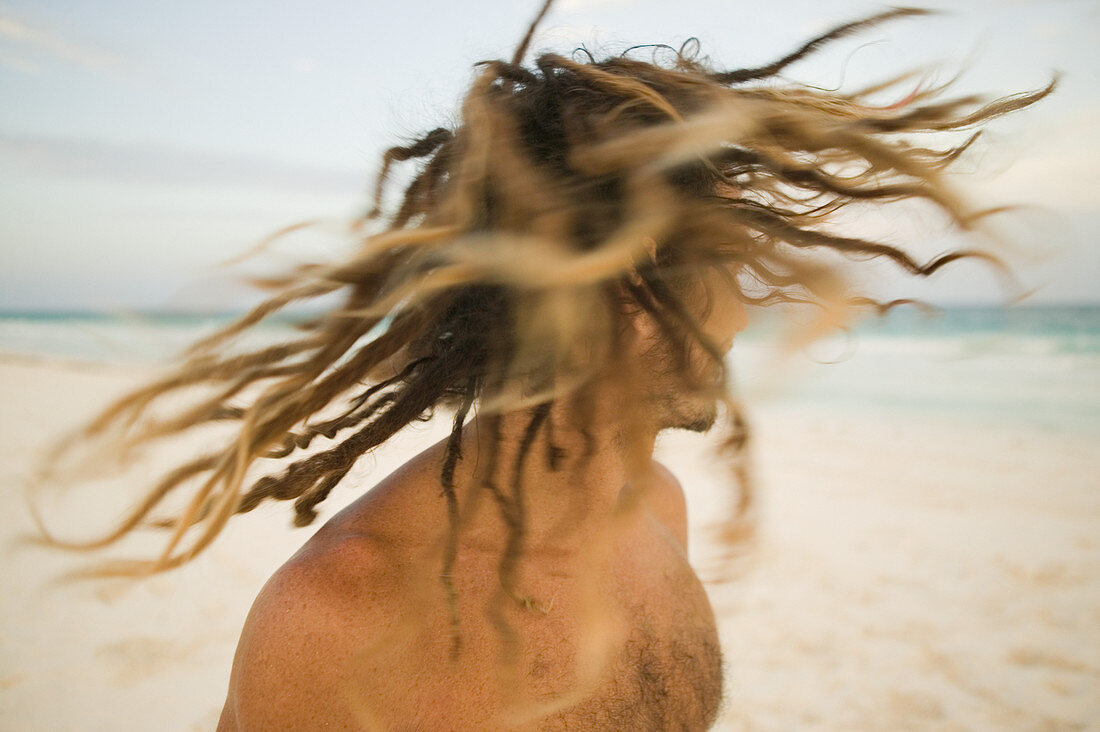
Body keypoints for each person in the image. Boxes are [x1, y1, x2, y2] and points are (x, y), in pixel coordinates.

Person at [35, 2, 1051, 729]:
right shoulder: (337, 618)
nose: (745, 313)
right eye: (727, 272)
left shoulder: (654, 506)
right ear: (627, 292)